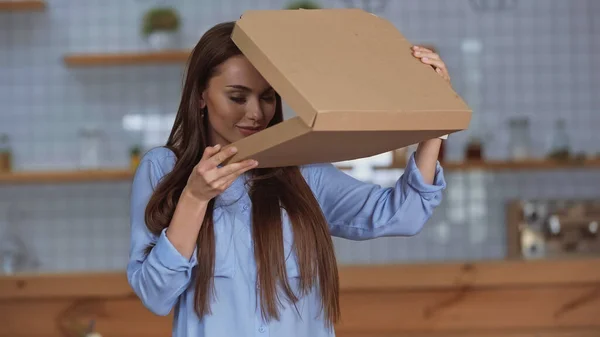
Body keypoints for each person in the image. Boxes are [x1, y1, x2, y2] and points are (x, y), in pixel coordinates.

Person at [127, 20, 451, 337]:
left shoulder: (304, 171)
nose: (255, 113)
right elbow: (155, 296)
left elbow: (405, 215)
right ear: (201, 95)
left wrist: (435, 115)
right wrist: (194, 199)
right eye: (237, 97)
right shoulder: (164, 169)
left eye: (267, 97)